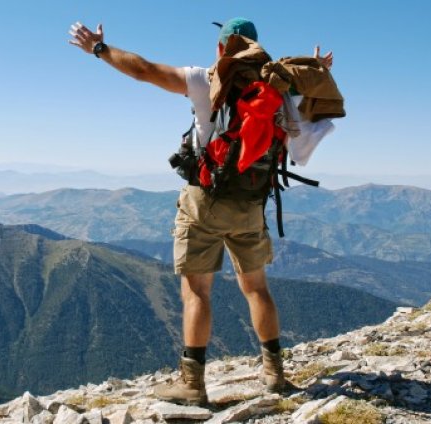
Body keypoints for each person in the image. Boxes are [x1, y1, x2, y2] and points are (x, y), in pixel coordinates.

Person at [69, 18, 333, 406]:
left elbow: (144, 70)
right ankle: (275, 374)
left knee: (197, 292)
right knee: (257, 289)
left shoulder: (204, 79)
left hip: (204, 201)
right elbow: (311, 118)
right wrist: (317, 71)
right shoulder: (280, 87)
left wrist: (99, 49)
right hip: (251, 202)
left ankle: (193, 385)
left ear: (221, 48)